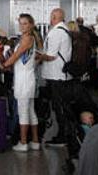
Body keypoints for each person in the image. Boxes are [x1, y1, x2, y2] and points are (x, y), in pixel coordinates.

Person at [3, 13, 43, 152]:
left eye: (25, 23)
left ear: (31, 25)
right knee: (31, 111)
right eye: (20, 23)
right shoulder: (27, 39)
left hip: (24, 80)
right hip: (26, 78)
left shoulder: (27, 39)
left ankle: (24, 142)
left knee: (23, 111)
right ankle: (35, 141)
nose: (22, 26)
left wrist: (4, 66)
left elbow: (16, 55)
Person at [36, 8, 75, 150]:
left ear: (55, 17)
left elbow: (51, 55)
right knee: (60, 106)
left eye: (52, 16)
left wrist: (38, 56)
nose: (50, 18)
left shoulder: (56, 32)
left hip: (56, 75)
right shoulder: (64, 30)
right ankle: (63, 134)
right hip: (60, 75)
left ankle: (63, 136)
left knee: (60, 107)